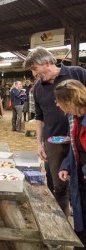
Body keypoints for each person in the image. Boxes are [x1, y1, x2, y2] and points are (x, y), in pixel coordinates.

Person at [24, 46, 86, 217]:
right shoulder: (37, 88)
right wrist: (39, 144)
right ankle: (62, 222)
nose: (34, 74)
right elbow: (39, 116)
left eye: (35, 69)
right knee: (57, 185)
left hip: (80, 139)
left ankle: (79, 215)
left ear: (47, 62)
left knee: (80, 180)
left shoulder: (78, 73)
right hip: (53, 142)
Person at [56, 79, 86, 248]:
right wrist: (66, 165)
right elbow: (75, 147)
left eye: (60, 103)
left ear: (69, 102)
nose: (58, 106)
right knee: (80, 218)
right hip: (80, 179)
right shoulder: (74, 118)